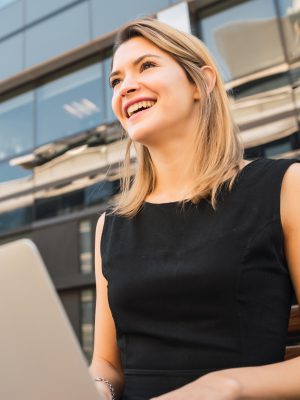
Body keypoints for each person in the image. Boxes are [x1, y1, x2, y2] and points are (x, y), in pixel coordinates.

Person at [89, 17, 300, 400]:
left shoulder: (286, 187)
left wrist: (225, 385)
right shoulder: (110, 225)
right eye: (116, 81)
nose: (126, 87)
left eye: (147, 66)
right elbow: (107, 364)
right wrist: (96, 388)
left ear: (201, 82)